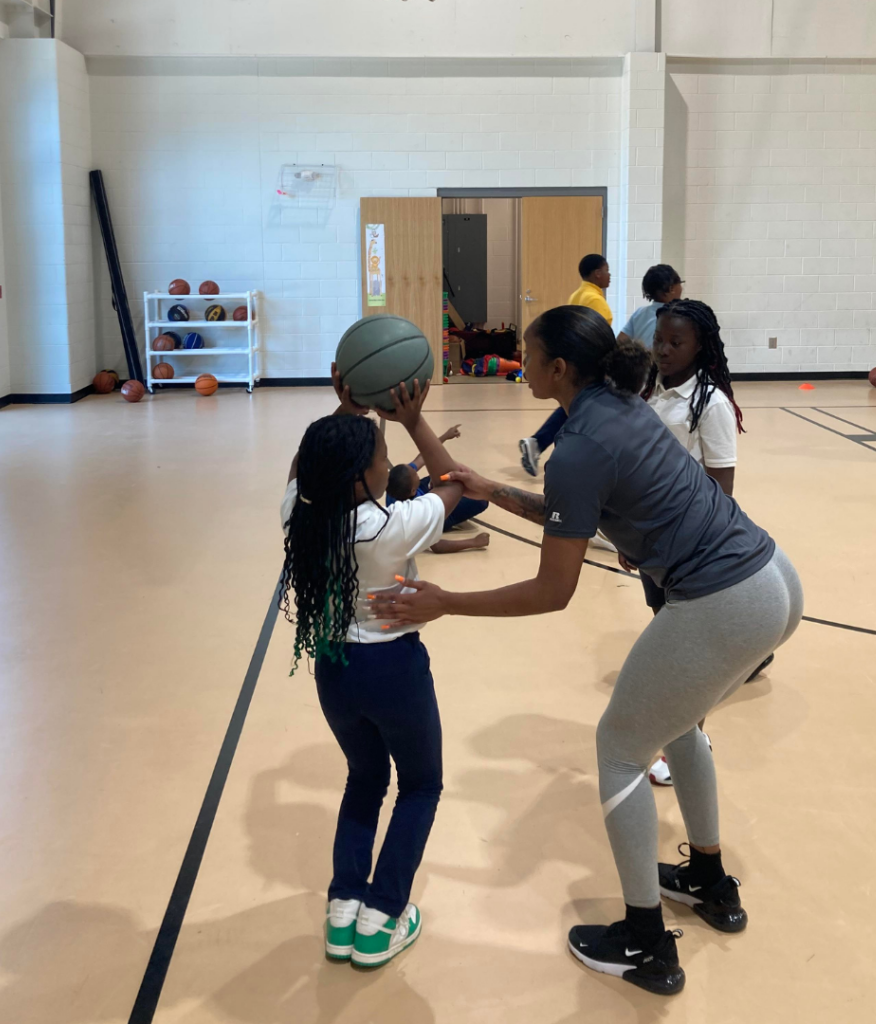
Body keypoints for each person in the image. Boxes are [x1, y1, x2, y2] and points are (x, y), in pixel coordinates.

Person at [373, 306, 803, 996]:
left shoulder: (579, 445)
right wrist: (449, 454)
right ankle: (709, 880)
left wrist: (447, 603)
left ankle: (645, 943)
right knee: (677, 723)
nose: (521, 362)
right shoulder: (620, 408)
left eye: (527, 354)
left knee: (621, 748)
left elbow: (554, 590)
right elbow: (573, 508)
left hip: (726, 601)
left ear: (559, 370)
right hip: (771, 579)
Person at [278, 367, 463, 968]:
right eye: (383, 457)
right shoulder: (392, 526)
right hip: (393, 669)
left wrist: (344, 411)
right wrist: (411, 418)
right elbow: (457, 483)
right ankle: (382, 917)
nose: (390, 463)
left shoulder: (299, 515)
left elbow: (301, 471)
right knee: (422, 785)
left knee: (364, 779)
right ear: (363, 478)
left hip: (333, 669)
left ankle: (342, 913)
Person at [636, 298, 771, 786]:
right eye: (659, 341)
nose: (664, 350)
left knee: (686, 653)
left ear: (700, 347)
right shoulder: (647, 391)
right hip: (651, 541)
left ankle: (690, 743)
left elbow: (721, 488)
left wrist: (686, 544)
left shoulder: (709, 403)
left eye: (677, 342)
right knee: (668, 636)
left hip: (691, 547)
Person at [519, 254, 613, 477]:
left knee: (571, 408)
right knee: (582, 411)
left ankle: (538, 443)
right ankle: (552, 450)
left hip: (571, 364)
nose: (609, 276)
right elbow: (600, 339)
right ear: (597, 273)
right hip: (586, 367)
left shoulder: (577, 295)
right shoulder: (597, 301)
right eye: (607, 270)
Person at [386, 424, 491, 554]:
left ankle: (437, 489)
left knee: (443, 471)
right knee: (482, 500)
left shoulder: (395, 485)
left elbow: (423, 456)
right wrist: (474, 542)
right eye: (416, 474)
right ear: (413, 491)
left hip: (421, 493)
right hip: (436, 514)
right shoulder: (416, 517)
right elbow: (437, 546)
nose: (416, 471)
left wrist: (445, 437)